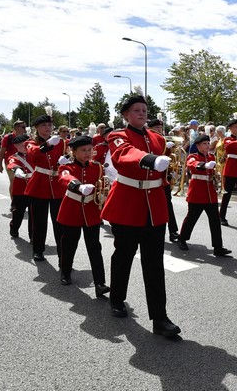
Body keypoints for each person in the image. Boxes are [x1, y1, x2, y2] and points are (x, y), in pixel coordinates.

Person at [100, 88, 180, 337]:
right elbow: (124, 155)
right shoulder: (117, 135)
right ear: (125, 114)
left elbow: (165, 168)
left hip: (154, 206)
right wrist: (149, 159)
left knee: (154, 263)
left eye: (145, 110)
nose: (142, 114)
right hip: (128, 203)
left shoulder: (157, 139)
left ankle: (160, 318)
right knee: (123, 254)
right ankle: (116, 298)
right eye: (137, 110)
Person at [56, 136, 110, 296]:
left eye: (90, 150)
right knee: (69, 244)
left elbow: (103, 184)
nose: (88, 153)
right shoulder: (67, 167)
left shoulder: (97, 167)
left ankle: (100, 283)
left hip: (92, 211)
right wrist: (78, 186)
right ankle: (65, 272)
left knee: (95, 247)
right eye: (83, 150)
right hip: (72, 209)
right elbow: (65, 177)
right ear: (73, 152)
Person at [177, 135, 231, 256]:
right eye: (204, 144)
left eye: (208, 143)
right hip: (197, 193)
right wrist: (205, 165)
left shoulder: (211, 157)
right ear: (198, 146)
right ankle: (182, 238)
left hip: (210, 194)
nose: (207, 146)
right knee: (191, 218)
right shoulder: (193, 156)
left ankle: (218, 247)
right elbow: (193, 165)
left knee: (215, 221)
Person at [25, 111, 65, 262]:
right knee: (39, 221)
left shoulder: (61, 142)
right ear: (36, 128)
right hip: (40, 184)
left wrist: (65, 160)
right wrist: (48, 145)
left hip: (57, 185)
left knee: (60, 222)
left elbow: (69, 155)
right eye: (44, 125)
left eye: (49, 124)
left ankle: (63, 253)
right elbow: (33, 153)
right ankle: (38, 249)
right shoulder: (31, 142)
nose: (48, 127)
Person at [147, 117, 180, 242]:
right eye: (156, 128)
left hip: (164, 179)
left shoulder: (164, 141)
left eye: (160, 128)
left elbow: (170, 161)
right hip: (151, 180)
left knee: (168, 205)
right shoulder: (149, 142)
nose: (159, 130)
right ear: (150, 129)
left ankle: (173, 231)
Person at [7, 134, 34, 240]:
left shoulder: (34, 155)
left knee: (34, 216)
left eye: (27, 144)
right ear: (16, 146)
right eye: (22, 145)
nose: (25, 147)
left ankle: (33, 236)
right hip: (20, 190)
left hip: (33, 189)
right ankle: (14, 228)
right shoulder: (14, 157)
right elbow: (12, 163)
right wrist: (17, 169)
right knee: (18, 213)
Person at [0, 120, 28, 201]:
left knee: (24, 182)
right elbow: (2, 152)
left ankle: (23, 201)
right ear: (16, 128)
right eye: (23, 127)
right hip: (11, 162)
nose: (25, 129)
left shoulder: (26, 138)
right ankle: (14, 202)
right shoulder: (8, 137)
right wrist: (0, 165)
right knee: (14, 182)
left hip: (24, 162)